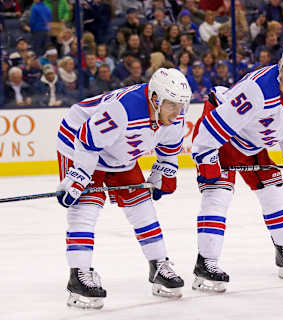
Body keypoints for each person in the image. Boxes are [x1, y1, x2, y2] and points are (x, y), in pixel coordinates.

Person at [190, 39, 283, 293]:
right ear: (281, 64)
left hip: (253, 143)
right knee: (218, 194)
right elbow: (214, 126)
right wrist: (205, 155)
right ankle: (206, 264)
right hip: (222, 138)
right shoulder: (257, 88)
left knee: (273, 190)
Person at [55, 68, 192, 309]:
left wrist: (163, 172)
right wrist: (79, 177)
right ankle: (79, 275)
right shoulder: (123, 109)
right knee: (85, 209)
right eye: (172, 104)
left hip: (120, 152)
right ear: (155, 99)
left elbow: (169, 150)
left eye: (182, 104)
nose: (178, 111)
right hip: (80, 143)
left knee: (142, 207)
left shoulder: (174, 116)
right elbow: (87, 139)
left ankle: (158, 265)